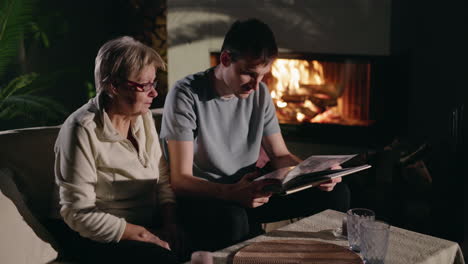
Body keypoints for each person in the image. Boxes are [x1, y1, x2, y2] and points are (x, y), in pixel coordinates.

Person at [160, 18, 350, 252]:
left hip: (251, 192)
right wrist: (231, 193)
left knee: (336, 193)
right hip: (207, 196)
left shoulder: (259, 92)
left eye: (263, 76)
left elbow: (280, 155)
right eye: (248, 74)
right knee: (234, 219)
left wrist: (315, 173)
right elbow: (180, 180)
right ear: (226, 59)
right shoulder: (185, 94)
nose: (255, 85)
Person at [48, 36, 179, 263]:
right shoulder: (81, 129)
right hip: (97, 235)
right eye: (144, 85)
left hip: (144, 222)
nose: (154, 94)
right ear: (114, 86)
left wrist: (171, 225)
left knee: (224, 223)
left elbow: (162, 180)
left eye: (154, 83)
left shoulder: (143, 117)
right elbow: (78, 213)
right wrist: (143, 235)